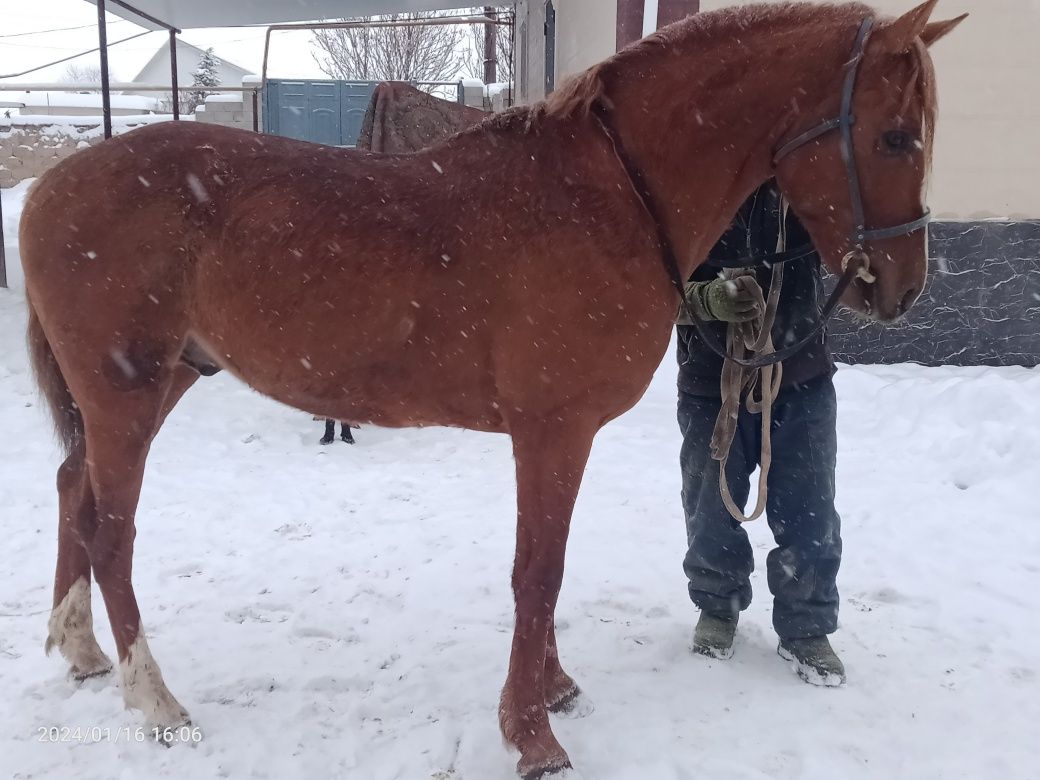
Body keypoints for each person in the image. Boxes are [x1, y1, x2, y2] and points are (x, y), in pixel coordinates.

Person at [676, 181, 845, 686]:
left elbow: (851, 256)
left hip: (801, 376)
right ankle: (717, 606)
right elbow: (643, 286)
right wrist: (703, 299)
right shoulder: (690, 185)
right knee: (710, 505)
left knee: (810, 505)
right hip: (712, 379)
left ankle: (806, 626)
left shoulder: (809, 183)